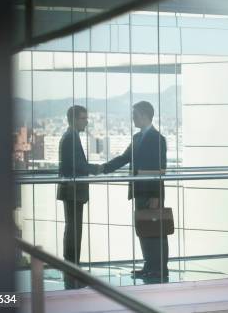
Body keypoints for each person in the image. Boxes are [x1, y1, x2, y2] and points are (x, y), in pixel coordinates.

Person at [103, 101, 168, 283]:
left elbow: (160, 169)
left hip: (152, 193)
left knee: (156, 231)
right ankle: (149, 266)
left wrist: (156, 196)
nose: (132, 119)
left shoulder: (157, 138)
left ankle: (159, 269)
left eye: (134, 115)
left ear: (144, 115)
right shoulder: (137, 138)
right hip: (139, 190)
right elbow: (125, 158)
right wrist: (103, 168)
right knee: (144, 230)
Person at [57, 105, 101, 289]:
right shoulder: (71, 137)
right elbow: (78, 164)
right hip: (73, 189)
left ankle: (72, 264)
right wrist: (97, 169)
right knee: (74, 229)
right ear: (74, 119)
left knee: (74, 228)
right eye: (84, 118)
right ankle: (72, 265)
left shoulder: (71, 136)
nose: (86, 121)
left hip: (73, 189)